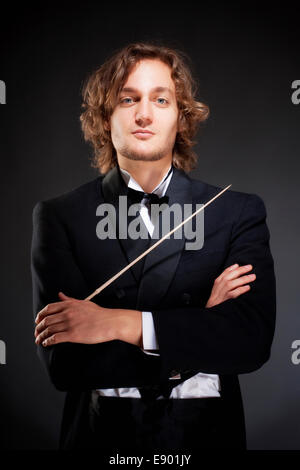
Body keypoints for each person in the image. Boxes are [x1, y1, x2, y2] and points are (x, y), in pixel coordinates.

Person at [31, 42, 276, 453]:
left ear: (181, 118)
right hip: (99, 439)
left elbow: (249, 345)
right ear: (105, 117)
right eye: (128, 99)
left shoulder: (236, 211)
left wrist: (115, 324)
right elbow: (66, 366)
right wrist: (201, 323)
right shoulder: (59, 216)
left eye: (161, 99)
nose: (144, 113)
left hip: (209, 438)